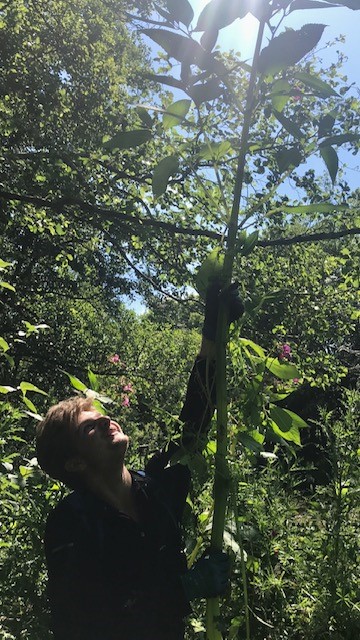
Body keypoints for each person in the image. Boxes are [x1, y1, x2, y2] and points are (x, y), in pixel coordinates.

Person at [36, 282, 243, 640]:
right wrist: (185, 589)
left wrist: (214, 332)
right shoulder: (72, 525)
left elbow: (193, 423)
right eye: (89, 428)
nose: (106, 420)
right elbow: (85, 623)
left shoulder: (155, 488)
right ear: (73, 464)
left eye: (103, 415)